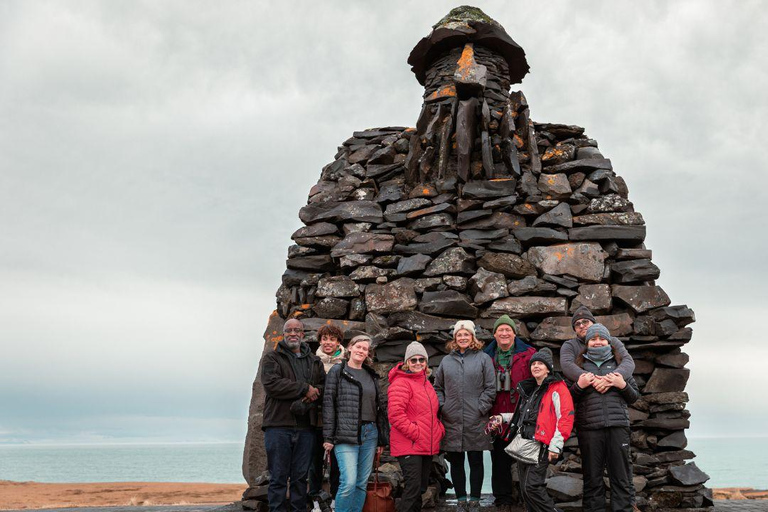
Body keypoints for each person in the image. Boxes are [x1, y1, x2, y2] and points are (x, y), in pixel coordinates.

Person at [490, 348, 574, 512]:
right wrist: (502, 418)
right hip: (525, 442)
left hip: (542, 444)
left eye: (540, 364)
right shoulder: (530, 389)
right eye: (533, 363)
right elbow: (520, 415)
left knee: (532, 487)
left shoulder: (558, 388)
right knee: (525, 490)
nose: (536, 366)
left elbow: (565, 417)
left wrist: (556, 445)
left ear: (548, 368)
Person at [570, 324, 640, 512]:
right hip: (590, 429)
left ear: (609, 342)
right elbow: (569, 398)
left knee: (621, 478)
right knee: (592, 479)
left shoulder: (619, 365)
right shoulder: (579, 366)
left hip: (618, 427)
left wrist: (621, 384)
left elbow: (634, 397)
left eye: (601, 339)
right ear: (587, 342)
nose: (597, 342)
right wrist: (580, 385)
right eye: (593, 339)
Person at [261, 318, 326, 512]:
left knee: (300, 478)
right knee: (278, 477)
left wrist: (309, 398)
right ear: (283, 333)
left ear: (303, 334)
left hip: (306, 428)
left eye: (297, 330)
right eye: (288, 330)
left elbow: (322, 387)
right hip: (278, 426)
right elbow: (272, 385)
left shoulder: (314, 361)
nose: (293, 333)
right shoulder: (272, 358)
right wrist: (304, 388)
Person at [434, 320, 496, 511]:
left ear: (472, 337)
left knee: (476, 460)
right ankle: (461, 499)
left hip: (476, 419)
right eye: (459, 335)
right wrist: (444, 407)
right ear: (455, 338)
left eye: (466, 334)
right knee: (457, 462)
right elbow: (438, 388)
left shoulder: (483, 359)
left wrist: (481, 408)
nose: (462, 337)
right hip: (451, 419)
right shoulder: (446, 361)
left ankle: (475, 498)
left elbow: (490, 388)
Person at [323, 334, 389, 512]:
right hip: (345, 434)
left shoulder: (371, 375)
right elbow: (328, 404)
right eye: (358, 347)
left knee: (361, 483)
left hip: (370, 433)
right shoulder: (337, 371)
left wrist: (382, 439)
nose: (361, 351)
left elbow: (380, 409)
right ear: (350, 348)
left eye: (365, 349)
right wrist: (328, 437)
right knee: (349, 481)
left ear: (368, 354)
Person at [483, 315, 536, 512]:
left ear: (514, 333)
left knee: (526, 458)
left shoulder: (529, 354)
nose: (504, 333)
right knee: (499, 459)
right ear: (494, 333)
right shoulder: (485, 356)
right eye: (500, 330)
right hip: (496, 415)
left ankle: (527, 497)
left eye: (508, 330)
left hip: (522, 414)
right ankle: (503, 499)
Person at [388, 341, 445, 512]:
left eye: (422, 359)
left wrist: (438, 430)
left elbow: (431, 414)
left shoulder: (426, 383)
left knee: (420, 488)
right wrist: (417, 433)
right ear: (407, 362)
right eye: (413, 360)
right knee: (412, 489)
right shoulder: (401, 383)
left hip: (425, 445)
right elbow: (396, 415)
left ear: (426, 362)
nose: (418, 363)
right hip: (410, 445)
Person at [309, 325, 346, 508]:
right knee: (314, 462)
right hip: (316, 420)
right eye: (324, 339)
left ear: (339, 341)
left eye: (332, 339)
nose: (328, 342)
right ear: (320, 341)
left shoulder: (346, 362)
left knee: (337, 464)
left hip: (340, 421)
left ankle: (335, 500)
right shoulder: (312, 361)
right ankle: (315, 500)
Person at [560, 306, 635, 392]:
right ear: (575, 329)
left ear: (593, 323)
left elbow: (628, 361)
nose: (581, 325)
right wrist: (594, 380)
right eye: (577, 324)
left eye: (585, 322)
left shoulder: (613, 341)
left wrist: (610, 379)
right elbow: (567, 365)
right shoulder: (569, 345)